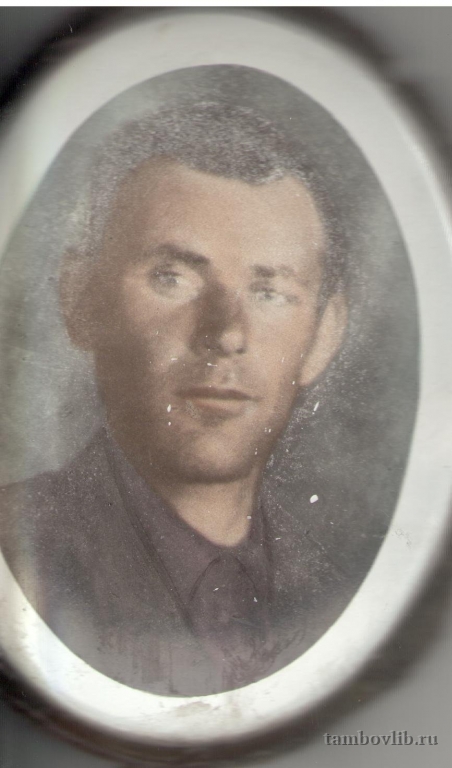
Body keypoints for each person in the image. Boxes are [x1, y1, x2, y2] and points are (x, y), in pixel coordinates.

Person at [0, 102, 351, 696]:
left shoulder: (341, 592)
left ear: (324, 334)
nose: (227, 334)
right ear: (80, 298)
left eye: (270, 291)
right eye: (173, 277)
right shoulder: (17, 554)